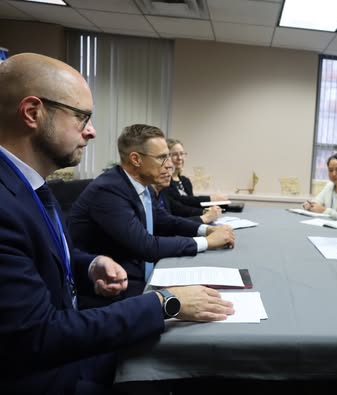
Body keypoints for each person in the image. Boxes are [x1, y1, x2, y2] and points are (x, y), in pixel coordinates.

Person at [0, 52, 234, 395]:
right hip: (47, 377)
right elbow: (39, 336)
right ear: (33, 113)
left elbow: (39, 256)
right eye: (82, 117)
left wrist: (90, 264)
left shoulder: (30, 185)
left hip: (66, 351)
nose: (91, 131)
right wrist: (166, 302)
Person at [68, 124, 235, 307]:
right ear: (136, 159)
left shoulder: (139, 187)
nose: (170, 164)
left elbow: (165, 221)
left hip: (137, 276)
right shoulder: (108, 190)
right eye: (162, 157)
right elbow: (146, 246)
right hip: (112, 291)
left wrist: (206, 229)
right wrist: (208, 242)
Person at [164, 138, 228, 212]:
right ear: (166, 157)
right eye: (175, 154)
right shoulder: (165, 181)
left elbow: (191, 203)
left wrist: (218, 207)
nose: (180, 158)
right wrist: (210, 200)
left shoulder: (185, 181)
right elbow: (180, 202)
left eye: (182, 154)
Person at [152, 163, 221, 224]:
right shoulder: (154, 193)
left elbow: (178, 208)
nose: (169, 173)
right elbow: (167, 224)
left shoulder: (163, 192)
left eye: (170, 169)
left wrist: (205, 212)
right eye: (165, 168)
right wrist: (204, 217)